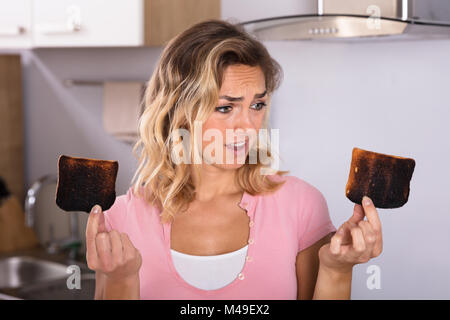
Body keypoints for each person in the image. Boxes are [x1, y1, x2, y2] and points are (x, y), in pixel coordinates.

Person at [85, 19, 383, 300]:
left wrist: (337, 269)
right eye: (225, 108)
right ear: (178, 112)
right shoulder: (121, 218)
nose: (248, 126)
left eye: (257, 104)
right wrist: (121, 280)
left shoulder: (301, 205)